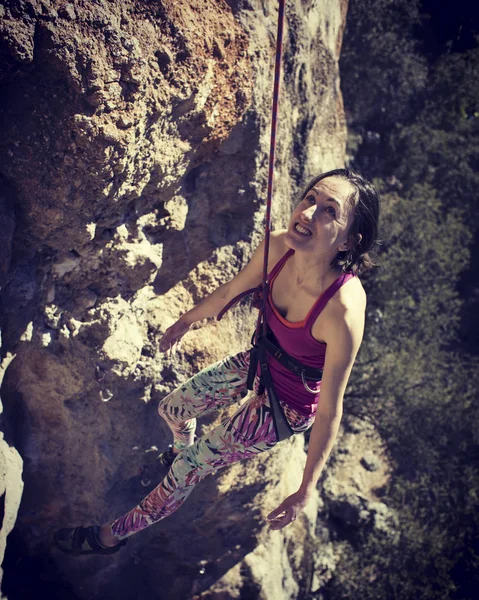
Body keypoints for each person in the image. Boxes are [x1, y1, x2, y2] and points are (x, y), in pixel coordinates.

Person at [54, 168, 380, 555]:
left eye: (329, 211)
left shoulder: (342, 310)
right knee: (172, 409)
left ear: (349, 241)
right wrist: (187, 321)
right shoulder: (278, 248)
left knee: (189, 468)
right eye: (310, 198)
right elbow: (230, 290)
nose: (308, 214)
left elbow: (329, 410)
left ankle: (111, 536)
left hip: (287, 407)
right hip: (259, 362)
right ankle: (177, 451)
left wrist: (306, 488)